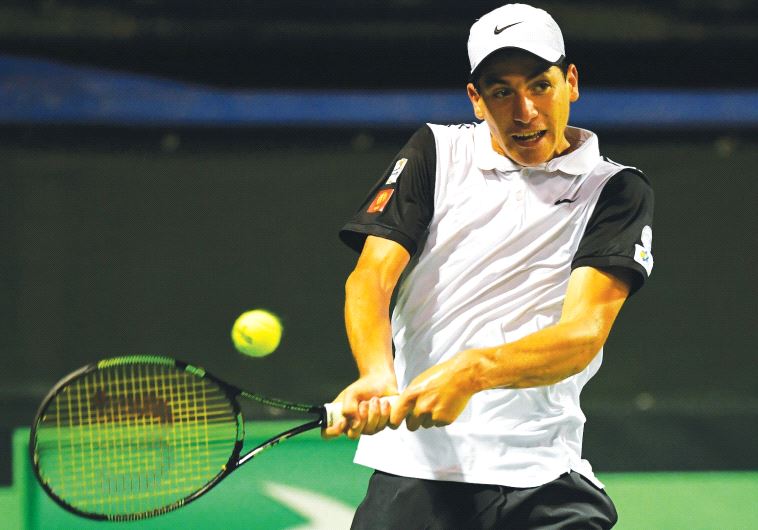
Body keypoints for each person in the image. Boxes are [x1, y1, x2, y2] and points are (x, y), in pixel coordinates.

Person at [325, 3, 654, 528]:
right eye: (501, 90)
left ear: (571, 82)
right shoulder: (436, 151)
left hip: (542, 476)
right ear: (477, 99)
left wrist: (471, 372)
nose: (524, 110)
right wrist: (376, 372)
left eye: (540, 85)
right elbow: (370, 277)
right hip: (417, 474)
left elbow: (583, 334)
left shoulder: (615, 190)